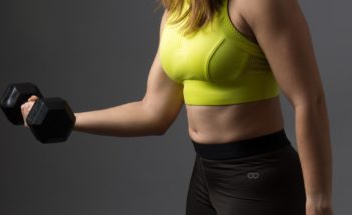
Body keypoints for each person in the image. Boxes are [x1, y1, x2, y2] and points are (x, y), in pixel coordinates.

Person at [20, 0, 333, 214]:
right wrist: (68, 120)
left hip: (258, 177)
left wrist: (318, 202)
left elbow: (309, 101)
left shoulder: (257, 4)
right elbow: (153, 112)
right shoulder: (178, 13)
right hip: (206, 176)